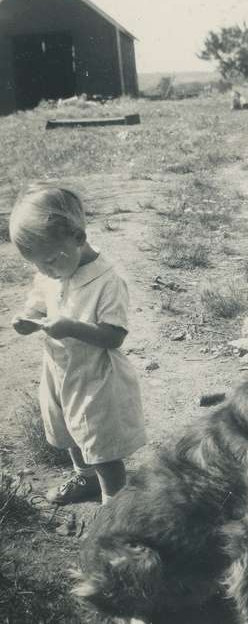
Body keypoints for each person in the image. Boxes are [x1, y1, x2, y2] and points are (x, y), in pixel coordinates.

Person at [9, 182, 146, 506]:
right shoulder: (53, 269)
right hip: (59, 369)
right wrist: (29, 315)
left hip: (96, 375)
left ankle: (115, 504)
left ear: (79, 239)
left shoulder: (107, 280)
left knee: (101, 443)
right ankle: (84, 477)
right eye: (37, 264)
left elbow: (115, 335)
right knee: (67, 429)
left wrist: (71, 327)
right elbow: (40, 297)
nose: (45, 270)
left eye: (51, 261)